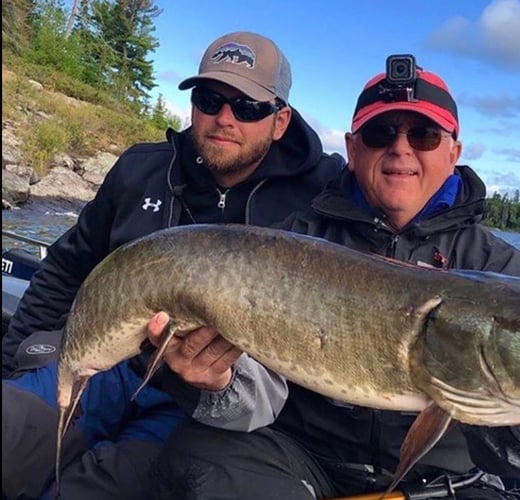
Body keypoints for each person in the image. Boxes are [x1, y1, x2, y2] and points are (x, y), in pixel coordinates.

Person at [149, 57, 520, 499]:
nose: (400, 148)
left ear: (453, 153)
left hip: (444, 479)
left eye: (424, 135)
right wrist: (216, 383)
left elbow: (515, 460)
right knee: (197, 460)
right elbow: (258, 395)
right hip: (300, 455)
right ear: (353, 149)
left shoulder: (500, 268)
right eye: (380, 133)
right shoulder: (293, 241)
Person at [1, 31, 344, 500]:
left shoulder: (326, 195)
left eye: (247, 107)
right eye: (209, 99)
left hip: (201, 409)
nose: (224, 118)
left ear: (280, 120)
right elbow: (66, 268)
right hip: (103, 367)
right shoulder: (140, 169)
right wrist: (12, 360)